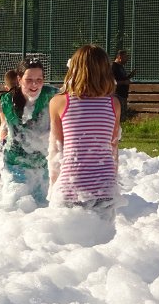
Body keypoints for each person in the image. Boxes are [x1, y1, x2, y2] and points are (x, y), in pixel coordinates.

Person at [0, 58, 59, 203]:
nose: (34, 84)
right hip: (16, 166)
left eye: (39, 79)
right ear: (19, 79)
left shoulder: (52, 95)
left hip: (44, 167)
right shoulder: (7, 100)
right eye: (29, 80)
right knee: (17, 207)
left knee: (44, 210)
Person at [48, 45, 121, 219]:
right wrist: (113, 180)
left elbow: (56, 150)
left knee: (68, 236)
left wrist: (53, 187)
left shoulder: (59, 102)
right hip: (105, 185)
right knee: (103, 235)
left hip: (72, 185)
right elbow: (113, 148)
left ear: (74, 69)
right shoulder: (113, 104)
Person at [0, 69, 18, 145]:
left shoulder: (1, 100)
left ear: (6, 88)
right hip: (20, 138)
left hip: (4, 138)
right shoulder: (26, 100)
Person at [111, 50, 135, 120]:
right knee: (118, 118)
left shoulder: (121, 67)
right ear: (119, 57)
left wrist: (129, 76)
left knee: (123, 118)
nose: (127, 59)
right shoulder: (113, 67)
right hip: (117, 95)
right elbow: (112, 81)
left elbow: (122, 79)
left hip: (123, 95)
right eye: (125, 57)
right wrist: (124, 82)